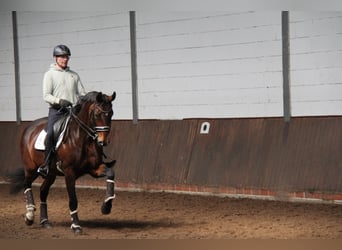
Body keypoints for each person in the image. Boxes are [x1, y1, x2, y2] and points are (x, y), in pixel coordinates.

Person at [37, 45, 86, 177]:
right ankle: (46, 165)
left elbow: (82, 93)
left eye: (66, 57)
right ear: (56, 58)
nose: (65, 59)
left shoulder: (74, 75)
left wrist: (82, 101)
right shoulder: (49, 75)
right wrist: (60, 101)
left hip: (73, 111)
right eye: (62, 57)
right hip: (57, 111)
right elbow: (46, 95)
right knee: (50, 134)